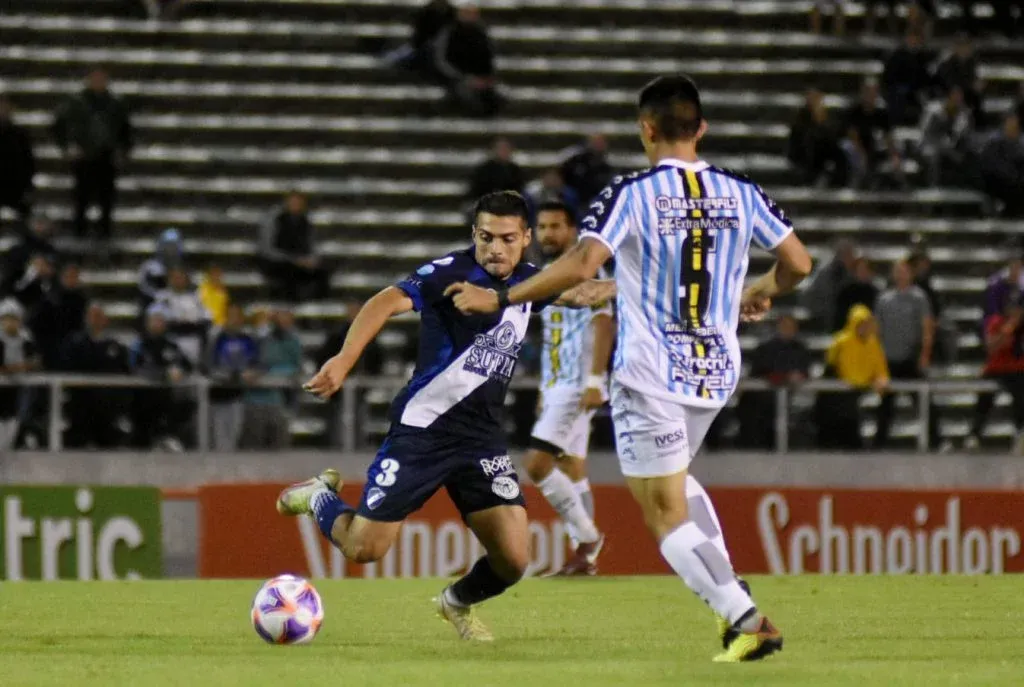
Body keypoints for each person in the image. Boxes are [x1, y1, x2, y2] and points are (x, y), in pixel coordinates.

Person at [445, 76, 813, 662]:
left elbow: (583, 262)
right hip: (716, 372)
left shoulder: (633, 193)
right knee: (679, 480)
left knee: (662, 513)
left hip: (650, 375)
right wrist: (759, 288)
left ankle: (748, 620)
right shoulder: (742, 191)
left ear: (646, 129)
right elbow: (798, 261)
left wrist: (503, 298)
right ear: (701, 129)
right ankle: (730, 593)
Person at [285, 191, 612, 641]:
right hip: (422, 433)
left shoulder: (529, 285)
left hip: (480, 440)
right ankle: (320, 496)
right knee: (364, 549)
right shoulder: (449, 273)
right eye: (486, 237)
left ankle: (455, 603)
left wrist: (638, 286)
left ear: (526, 239)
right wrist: (343, 359)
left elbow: (586, 293)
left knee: (514, 561)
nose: (496, 248)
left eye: (507, 238)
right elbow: (384, 301)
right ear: (473, 235)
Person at [523, 201, 613, 575]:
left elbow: (604, 322)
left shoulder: (587, 270)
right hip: (559, 383)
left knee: (537, 465)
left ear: (573, 230)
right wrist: (545, 387)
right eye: (542, 226)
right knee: (572, 467)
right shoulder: (551, 272)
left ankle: (588, 538)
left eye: (556, 226)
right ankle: (585, 560)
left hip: (576, 384)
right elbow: (554, 336)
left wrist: (594, 380)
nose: (547, 233)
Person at [52, 67, 133, 242]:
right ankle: (79, 230)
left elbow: (126, 131)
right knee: (81, 196)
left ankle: (104, 231)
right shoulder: (76, 103)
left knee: (106, 197)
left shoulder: (115, 103)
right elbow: (58, 126)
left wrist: (123, 151)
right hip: (84, 157)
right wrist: (67, 147)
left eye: (101, 79)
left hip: (106, 156)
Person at [873, 260, 937, 449]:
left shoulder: (919, 297)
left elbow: (927, 328)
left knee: (925, 402)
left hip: (911, 358)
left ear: (911, 274)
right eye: (897, 271)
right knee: (885, 405)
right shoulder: (884, 299)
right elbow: (876, 330)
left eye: (904, 271)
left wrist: (924, 355)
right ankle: (879, 444)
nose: (901, 275)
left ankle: (935, 441)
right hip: (888, 359)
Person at [59, 304, 131, 449]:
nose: (95, 320)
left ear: (105, 320)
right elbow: (68, 368)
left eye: (99, 316)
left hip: (107, 407)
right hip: (80, 405)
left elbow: (123, 372)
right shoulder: (75, 343)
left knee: (108, 446)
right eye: (92, 316)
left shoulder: (115, 346)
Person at [820, 304, 889, 450]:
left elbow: (880, 368)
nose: (864, 327)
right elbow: (833, 367)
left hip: (860, 390)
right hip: (839, 392)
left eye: (866, 324)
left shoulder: (873, 344)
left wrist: (881, 379)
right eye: (861, 324)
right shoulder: (840, 342)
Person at [738, 315, 811, 450]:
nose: (788, 330)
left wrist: (797, 376)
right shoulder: (765, 348)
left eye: (791, 327)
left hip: (787, 399)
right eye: (785, 327)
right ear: (778, 328)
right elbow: (758, 372)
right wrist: (782, 376)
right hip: (761, 403)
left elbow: (805, 372)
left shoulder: (800, 349)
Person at [128, 305, 193, 450]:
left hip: (165, 401)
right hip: (142, 401)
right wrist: (162, 374)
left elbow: (187, 365)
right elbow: (134, 368)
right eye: (154, 320)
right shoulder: (139, 344)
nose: (158, 324)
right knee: (141, 442)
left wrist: (180, 370)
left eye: (161, 320)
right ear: (147, 322)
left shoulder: (171, 344)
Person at [966, 298, 1024, 452]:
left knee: (1020, 396)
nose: (1015, 312)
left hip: (1017, 369)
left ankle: (1021, 433)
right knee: (984, 397)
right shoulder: (996, 322)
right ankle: (975, 434)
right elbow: (991, 347)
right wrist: (1007, 330)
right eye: (1012, 308)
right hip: (996, 368)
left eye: (1018, 309)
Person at [242, 308, 304, 449]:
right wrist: (259, 372)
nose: (283, 323)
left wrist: (272, 373)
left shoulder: (294, 341)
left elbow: (297, 368)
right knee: (253, 443)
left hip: (282, 399)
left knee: (279, 443)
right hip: (257, 396)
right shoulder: (263, 340)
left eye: (287, 320)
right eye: (280, 320)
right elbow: (256, 363)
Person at [258, 191, 330, 302]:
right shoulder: (275, 219)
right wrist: (293, 259)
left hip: (299, 261)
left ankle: (314, 302)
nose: (296, 205)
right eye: (293, 202)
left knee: (322, 271)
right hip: (276, 261)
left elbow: (312, 245)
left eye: (299, 203)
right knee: (287, 272)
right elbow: (267, 249)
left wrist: (311, 260)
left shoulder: (306, 222)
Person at [433, 3, 503, 116]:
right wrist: (464, 78)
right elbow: (442, 62)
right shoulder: (449, 34)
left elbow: (488, 58)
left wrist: (485, 78)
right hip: (456, 79)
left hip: (479, 79)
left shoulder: (482, 34)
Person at [207, 304, 260, 451]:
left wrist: (252, 371)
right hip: (218, 394)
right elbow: (209, 365)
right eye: (230, 316)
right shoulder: (217, 337)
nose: (234, 320)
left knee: (235, 436)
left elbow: (255, 361)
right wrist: (232, 374)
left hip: (239, 394)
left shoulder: (248, 339)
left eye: (237, 317)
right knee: (219, 438)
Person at [842, 78, 903, 189]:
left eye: (874, 92)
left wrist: (894, 156)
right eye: (867, 91)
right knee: (850, 150)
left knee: (897, 150)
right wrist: (862, 154)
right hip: (856, 146)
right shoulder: (853, 110)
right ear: (862, 92)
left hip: (873, 145)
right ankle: (854, 185)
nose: (870, 95)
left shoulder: (882, 112)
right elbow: (853, 137)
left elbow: (888, 137)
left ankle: (890, 186)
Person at [0, 298, 41, 450]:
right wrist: (20, 367)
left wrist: (17, 368)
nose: (11, 323)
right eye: (7, 318)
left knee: (13, 429)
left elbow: (35, 362)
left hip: (19, 391)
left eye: (14, 318)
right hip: (2, 390)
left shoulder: (26, 338)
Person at [786, 89, 848, 188]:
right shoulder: (800, 121)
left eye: (817, 98)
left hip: (823, 160)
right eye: (811, 98)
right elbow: (797, 146)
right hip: (804, 160)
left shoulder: (828, 120)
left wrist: (821, 121)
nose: (814, 102)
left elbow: (833, 141)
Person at [918, 86, 973, 187]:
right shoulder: (933, 109)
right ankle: (933, 187)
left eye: (960, 97)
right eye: (955, 96)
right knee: (932, 155)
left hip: (948, 146)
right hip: (928, 143)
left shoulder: (962, 113)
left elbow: (958, 134)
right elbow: (924, 132)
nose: (958, 99)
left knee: (966, 155)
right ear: (949, 96)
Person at [881, 31, 933, 126]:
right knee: (897, 99)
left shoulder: (923, 57)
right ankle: (895, 127)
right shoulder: (897, 56)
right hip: (898, 92)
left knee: (925, 100)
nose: (913, 41)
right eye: (911, 38)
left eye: (916, 39)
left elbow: (925, 78)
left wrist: (920, 89)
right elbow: (888, 77)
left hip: (916, 92)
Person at [0, 94, 36, 229]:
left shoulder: (20, 134)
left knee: (23, 221)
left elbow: (28, 161)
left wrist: (28, 186)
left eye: (5, 107)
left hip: (15, 185)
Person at [979, 115, 1024, 218]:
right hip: (999, 186)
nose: (1013, 129)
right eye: (1009, 125)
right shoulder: (993, 146)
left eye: (1015, 127)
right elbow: (991, 169)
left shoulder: (1020, 148)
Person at [138, 227, 186, 322]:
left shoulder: (181, 269)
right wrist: (157, 296)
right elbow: (143, 287)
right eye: (168, 246)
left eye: (173, 246)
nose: (170, 250)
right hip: (153, 303)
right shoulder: (150, 267)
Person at [559, 134, 614, 207]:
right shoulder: (577, 158)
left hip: (592, 194)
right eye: (597, 142)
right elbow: (563, 172)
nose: (599, 145)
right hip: (574, 190)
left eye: (601, 143)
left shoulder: (605, 164)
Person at [833, 257, 878, 331]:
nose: (863, 273)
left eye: (866, 270)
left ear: (871, 272)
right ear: (854, 272)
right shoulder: (845, 292)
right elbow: (839, 318)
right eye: (860, 270)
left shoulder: (876, 293)